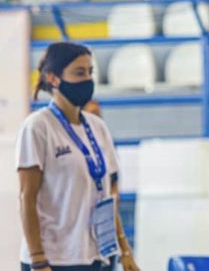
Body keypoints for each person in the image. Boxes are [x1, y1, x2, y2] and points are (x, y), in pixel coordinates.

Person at [16, 42, 138, 271]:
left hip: (97, 255)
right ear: (53, 78)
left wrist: (124, 250)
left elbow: (108, 197)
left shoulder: (98, 127)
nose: (88, 80)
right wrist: (38, 259)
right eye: (79, 73)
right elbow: (27, 198)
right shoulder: (38, 126)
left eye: (90, 72)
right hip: (55, 259)